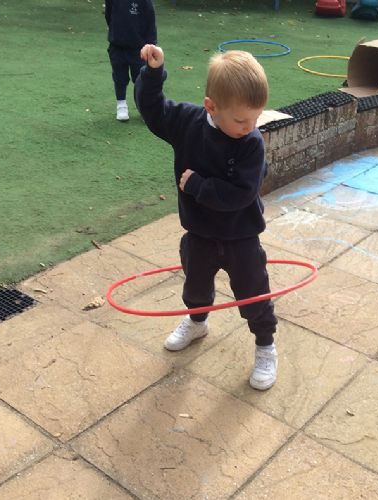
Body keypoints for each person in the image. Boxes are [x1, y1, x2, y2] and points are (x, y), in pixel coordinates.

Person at [135, 45, 278, 390]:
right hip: (199, 232)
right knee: (195, 285)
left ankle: (265, 345)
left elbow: (241, 194)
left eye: (256, 118)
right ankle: (197, 321)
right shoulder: (187, 122)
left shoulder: (251, 143)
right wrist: (152, 74)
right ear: (211, 106)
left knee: (253, 293)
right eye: (241, 120)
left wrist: (198, 185)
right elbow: (152, 110)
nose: (251, 127)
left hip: (241, 236)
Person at [104, 0, 157, 121]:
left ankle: (143, 107)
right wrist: (115, 33)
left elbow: (150, 19)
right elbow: (108, 14)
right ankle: (121, 104)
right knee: (119, 77)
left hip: (138, 47)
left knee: (140, 78)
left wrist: (151, 44)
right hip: (117, 46)